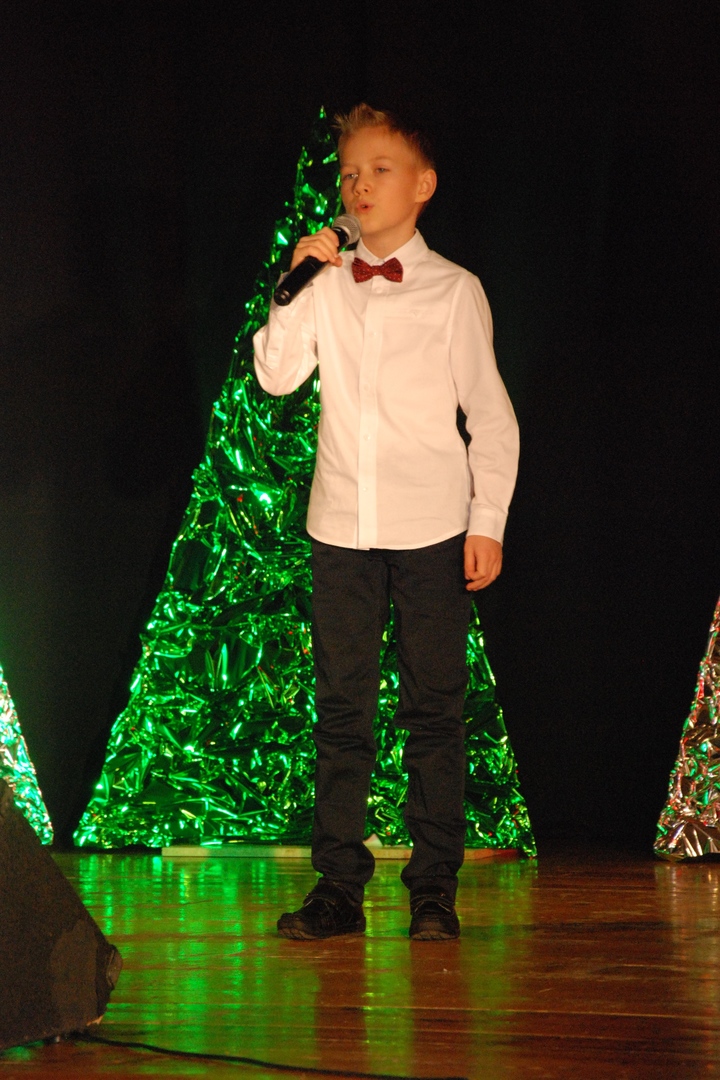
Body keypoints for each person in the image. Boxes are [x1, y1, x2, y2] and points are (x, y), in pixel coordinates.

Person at [253, 104, 519, 941]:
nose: (359, 186)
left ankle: (433, 889)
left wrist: (486, 520)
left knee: (434, 712)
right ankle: (338, 887)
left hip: (431, 527)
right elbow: (276, 378)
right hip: (340, 527)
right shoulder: (325, 283)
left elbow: (492, 417)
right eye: (348, 174)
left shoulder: (454, 290)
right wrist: (294, 285)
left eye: (379, 169)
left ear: (423, 184)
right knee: (342, 712)